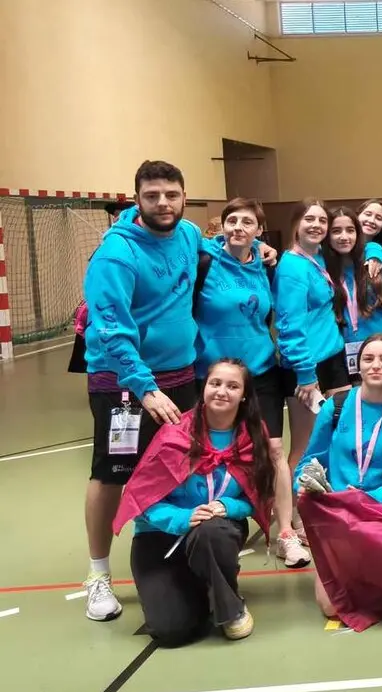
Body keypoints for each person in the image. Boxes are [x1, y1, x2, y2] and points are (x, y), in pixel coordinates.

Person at [81, 160, 204, 622]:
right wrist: (144, 388)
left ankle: (170, 553)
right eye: (152, 196)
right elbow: (110, 330)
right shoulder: (116, 255)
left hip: (180, 373)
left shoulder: (189, 235)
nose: (163, 203)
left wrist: (263, 251)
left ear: (184, 196)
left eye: (171, 194)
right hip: (124, 385)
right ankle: (98, 575)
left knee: (180, 463)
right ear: (137, 199)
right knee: (113, 472)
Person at [113, 358, 275, 645]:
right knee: (172, 631)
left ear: (244, 394)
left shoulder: (252, 435)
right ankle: (202, 587)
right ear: (204, 388)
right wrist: (181, 518)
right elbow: (142, 497)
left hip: (213, 533)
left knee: (212, 530)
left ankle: (230, 606)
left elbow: (258, 495)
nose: (222, 391)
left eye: (232, 386)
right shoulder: (174, 434)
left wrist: (229, 506)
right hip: (160, 538)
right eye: (215, 383)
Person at [194, 198, 310, 568]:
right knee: (210, 453)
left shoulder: (264, 265)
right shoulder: (205, 261)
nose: (238, 227)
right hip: (215, 376)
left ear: (260, 231)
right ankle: (207, 528)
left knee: (275, 452)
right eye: (232, 220)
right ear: (222, 226)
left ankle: (285, 535)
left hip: (261, 371)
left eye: (247, 222)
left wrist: (265, 254)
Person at [295, 334, 382, 617]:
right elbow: (310, 460)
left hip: (381, 514)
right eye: (368, 359)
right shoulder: (336, 406)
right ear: (359, 365)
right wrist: (304, 484)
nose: (376, 366)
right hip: (336, 514)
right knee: (331, 607)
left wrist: (363, 498)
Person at [273, 198, 352, 486]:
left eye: (321, 220)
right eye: (309, 219)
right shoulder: (292, 266)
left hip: (333, 359)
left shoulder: (319, 258)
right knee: (305, 446)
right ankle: (294, 515)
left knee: (337, 435)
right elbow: (288, 325)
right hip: (306, 366)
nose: (316, 225)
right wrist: (306, 375)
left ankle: (324, 506)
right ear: (296, 224)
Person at [323, 207, 382, 384]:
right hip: (348, 362)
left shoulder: (381, 265)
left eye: (350, 230)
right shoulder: (323, 270)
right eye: (336, 231)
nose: (344, 237)